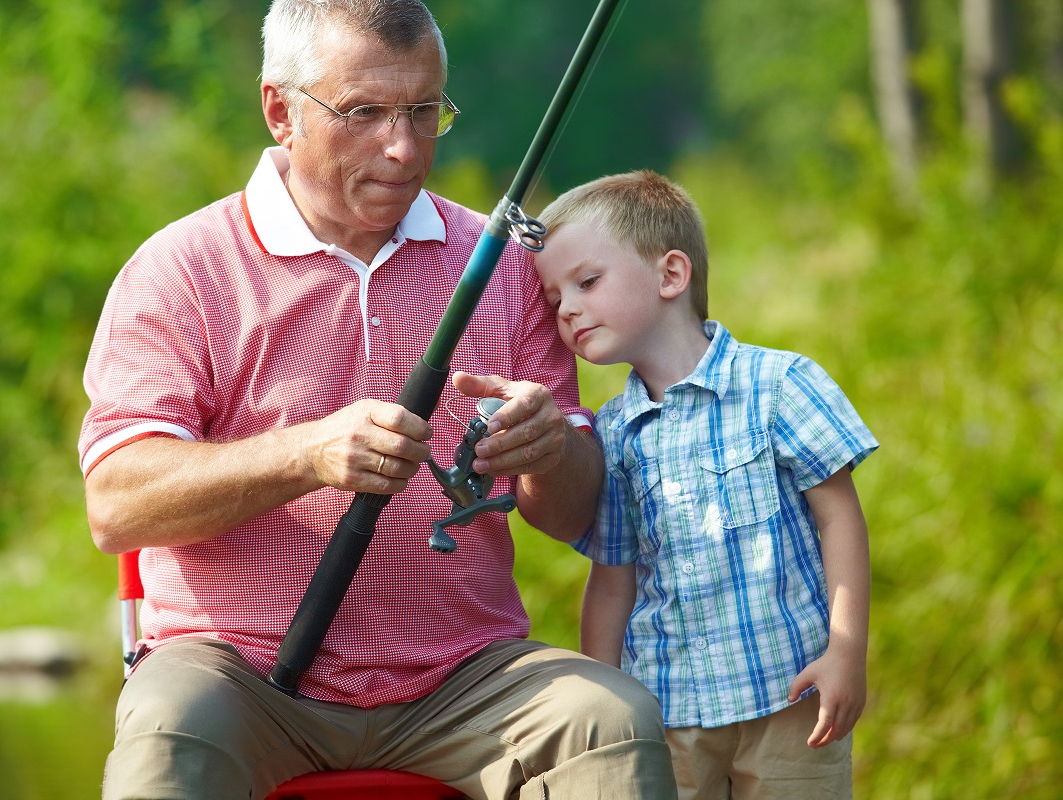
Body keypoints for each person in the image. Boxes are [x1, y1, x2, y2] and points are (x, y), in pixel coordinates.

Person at [78, 2, 676, 798]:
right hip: (237, 673)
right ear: (280, 111)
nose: (403, 148)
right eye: (363, 113)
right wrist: (309, 453)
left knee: (611, 719)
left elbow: (570, 514)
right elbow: (116, 504)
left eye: (424, 112)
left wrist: (553, 450)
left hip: (466, 677)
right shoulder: (180, 270)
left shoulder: (505, 266)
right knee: (167, 730)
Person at [533, 169, 878, 799]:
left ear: (671, 274)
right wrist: (603, 704)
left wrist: (846, 650)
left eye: (587, 282)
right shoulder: (613, 435)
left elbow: (839, 520)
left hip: (790, 695)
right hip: (671, 710)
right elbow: (613, 580)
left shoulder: (779, 385)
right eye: (555, 300)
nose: (568, 310)